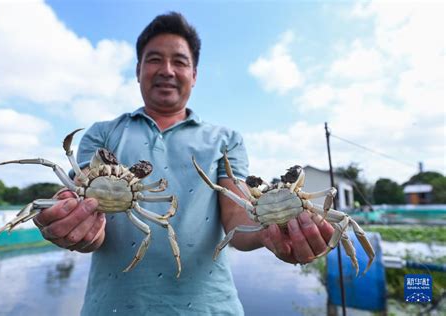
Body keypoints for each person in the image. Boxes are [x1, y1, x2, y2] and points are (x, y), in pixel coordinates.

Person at [33, 12, 334, 315]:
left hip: (211, 308)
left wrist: (275, 231)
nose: (167, 70)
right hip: (110, 307)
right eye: (154, 60)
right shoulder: (102, 134)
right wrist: (75, 226)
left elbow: (237, 219)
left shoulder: (224, 139)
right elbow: (85, 207)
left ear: (194, 74)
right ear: (138, 70)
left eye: (179, 61)